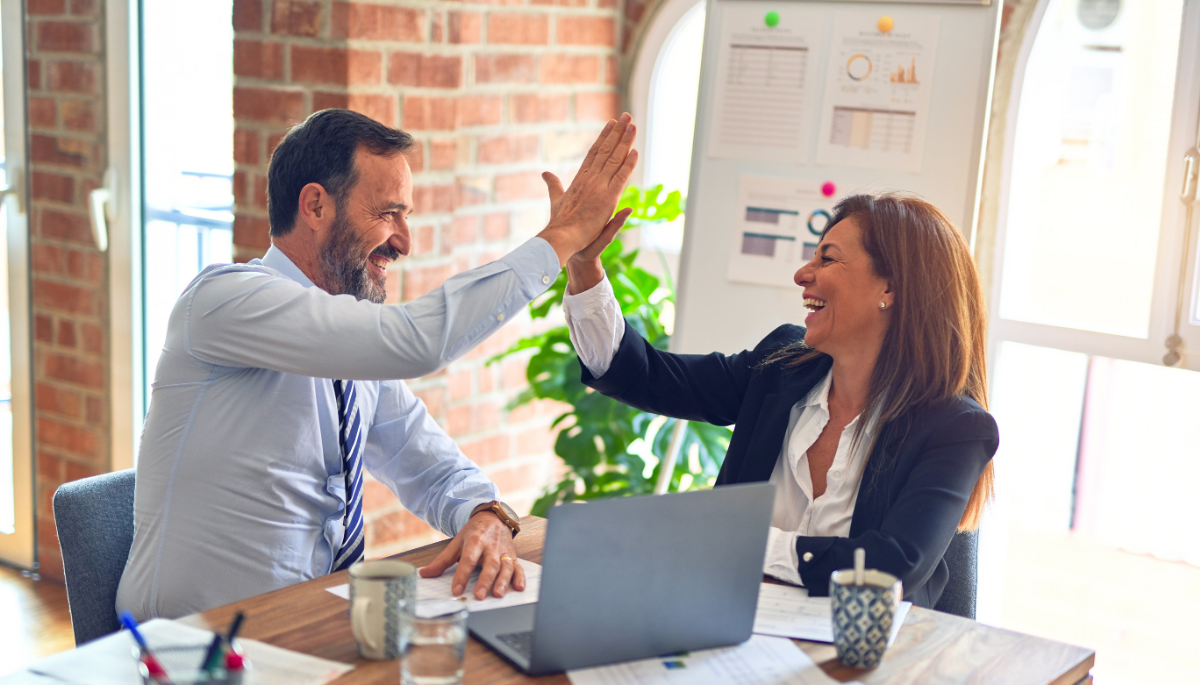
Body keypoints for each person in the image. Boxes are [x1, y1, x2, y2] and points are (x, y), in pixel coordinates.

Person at [116, 109, 638, 620]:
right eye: (389, 213)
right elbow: (417, 342)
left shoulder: (350, 350)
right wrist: (561, 238)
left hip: (309, 630)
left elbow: (428, 463)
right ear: (316, 206)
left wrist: (486, 513)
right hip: (190, 652)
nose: (404, 242)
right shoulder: (224, 301)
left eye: (405, 216)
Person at [562, 193, 998, 608]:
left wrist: (740, 542)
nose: (802, 274)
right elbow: (645, 376)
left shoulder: (955, 428)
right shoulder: (781, 366)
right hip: (731, 627)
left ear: (890, 288)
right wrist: (584, 267)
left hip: (866, 661)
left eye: (827, 258)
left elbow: (889, 568)